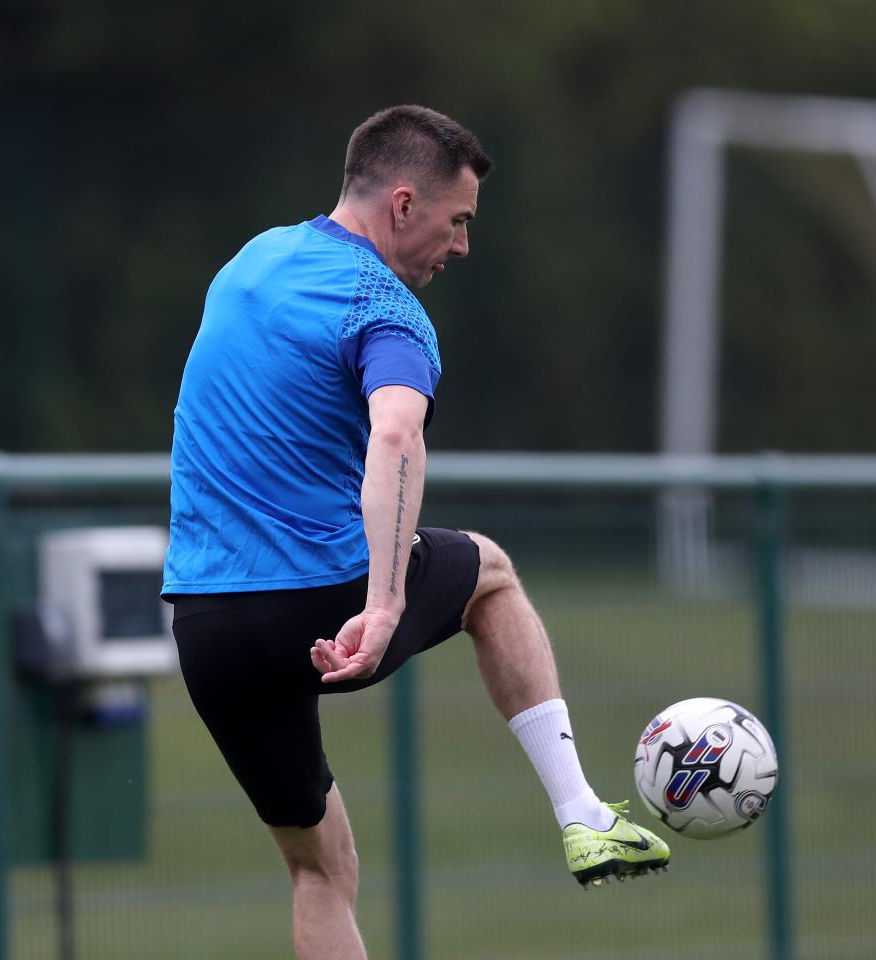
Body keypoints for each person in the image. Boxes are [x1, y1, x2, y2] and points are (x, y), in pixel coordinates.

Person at [162, 104, 669, 960]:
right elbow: (396, 434)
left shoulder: (251, 261)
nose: (464, 245)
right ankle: (582, 810)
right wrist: (387, 603)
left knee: (321, 872)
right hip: (321, 601)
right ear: (404, 205)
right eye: (458, 219)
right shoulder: (384, 306)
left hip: (206, 625)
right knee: (493, 574)